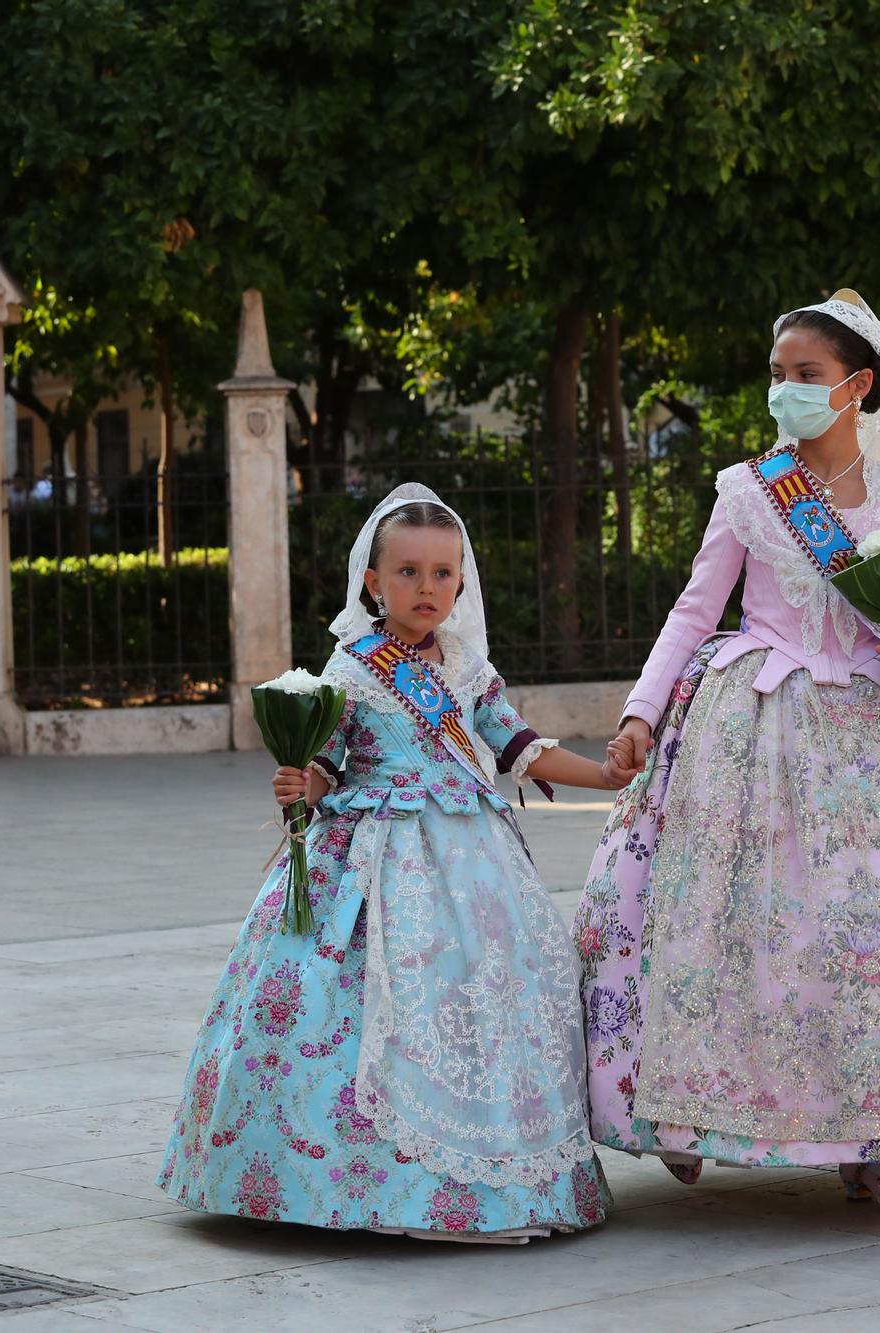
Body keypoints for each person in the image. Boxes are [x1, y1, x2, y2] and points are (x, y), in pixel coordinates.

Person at [576, 290, 880, 1217]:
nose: (785, 392)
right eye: (777, 376)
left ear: (855, 386)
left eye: (804, 376)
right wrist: (642, 713)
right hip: (757, 733)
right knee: (755, 936)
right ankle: (706, 1120)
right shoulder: (748, 489)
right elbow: (696, 609)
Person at [159, 483, 629, 1242]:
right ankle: (346, 1177)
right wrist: (300, 781)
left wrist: (606, 776)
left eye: (443, 573)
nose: (426, 587)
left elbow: (520, 747)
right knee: (356, 998)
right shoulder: (352, 668)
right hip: (372, 852)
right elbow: (326, 763)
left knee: (489, 993)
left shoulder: (469, 669)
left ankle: (493, 1174)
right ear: (373, 582)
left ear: (461, 581)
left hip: (474, 859)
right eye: (407, 572)